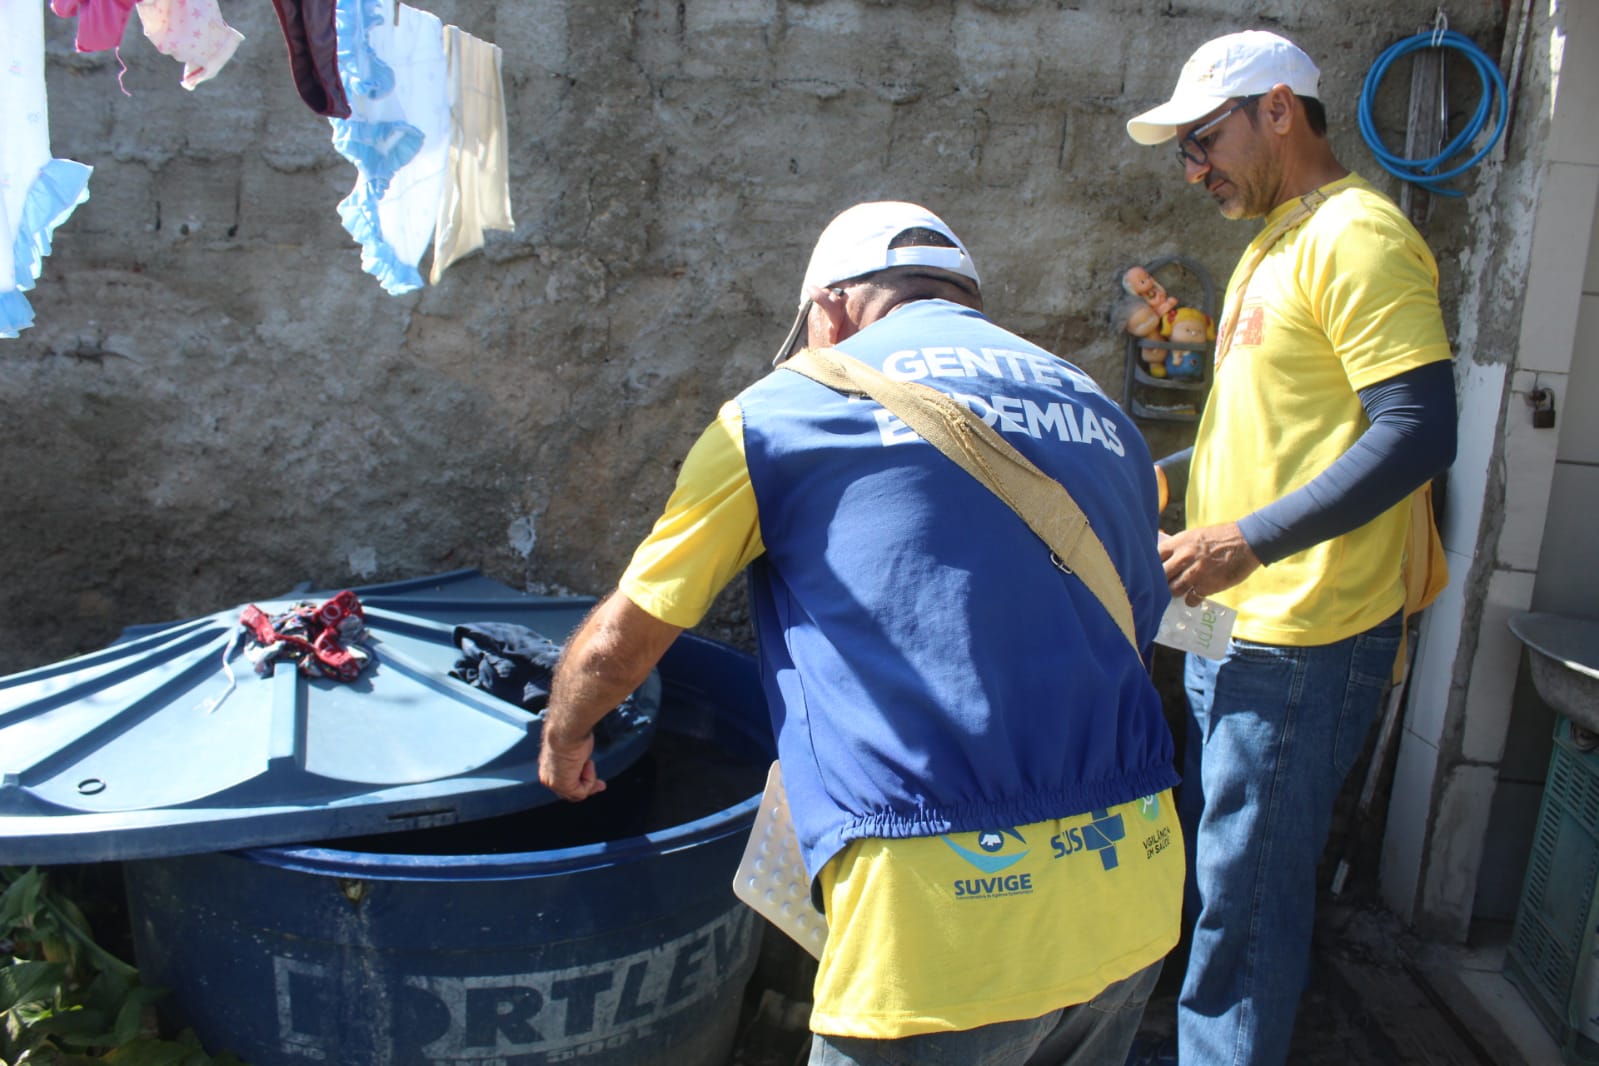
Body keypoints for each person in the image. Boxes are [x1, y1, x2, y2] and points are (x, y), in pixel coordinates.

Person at [538, 201, 1185, 1065]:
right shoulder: (1103, 415)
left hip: (942, 919)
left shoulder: (782, 409)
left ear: (831, 306)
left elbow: (629, 636)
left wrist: (568, 728)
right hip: (1132, 881)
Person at [1123, 30, 1458, 1066]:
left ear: (1278, 109)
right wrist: (1176, 482)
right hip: (1237, 620)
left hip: (1304, 634)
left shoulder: (1358, 235)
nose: (1193, 169)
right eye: (1182, 152)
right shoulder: (1273, 239)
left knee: (1248, 896)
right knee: (1221, 866)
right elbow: (1287, 428)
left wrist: (1247, 540)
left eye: (1203, 140)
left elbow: (1419, 428)